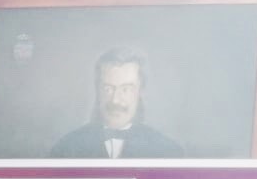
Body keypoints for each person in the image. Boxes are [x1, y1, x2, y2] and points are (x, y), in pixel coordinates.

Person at [50, 47, 183, 160]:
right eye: (108, 89)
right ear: (97, 90)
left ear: (140, 91)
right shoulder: (66, 148)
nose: (115, 100)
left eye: (125, 89)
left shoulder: (168, 151)